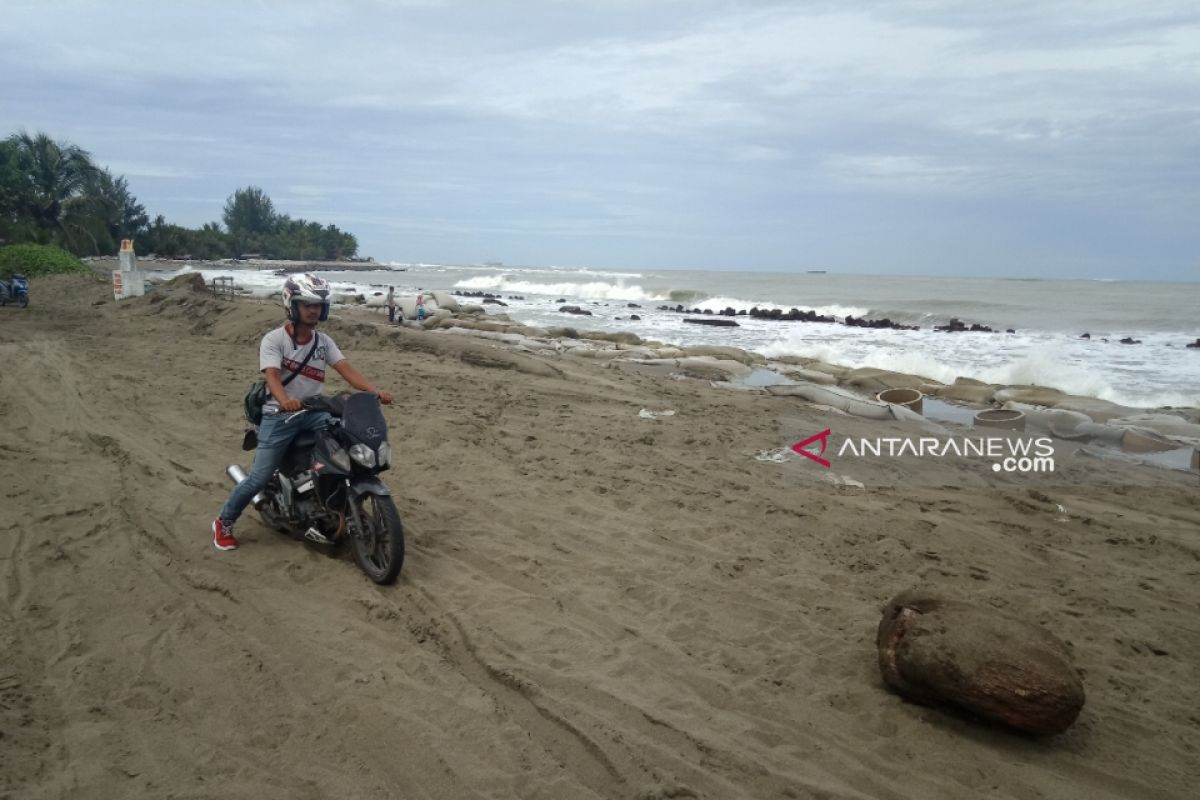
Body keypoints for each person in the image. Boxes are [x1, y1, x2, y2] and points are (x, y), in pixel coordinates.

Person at [213, 274, 394, 551]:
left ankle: (331, 493)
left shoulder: (323, 342)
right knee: (259, 477)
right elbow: (272, 376)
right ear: (292, 305)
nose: (314, 311)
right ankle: (224, 521)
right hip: (278, 415)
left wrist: (374, 391)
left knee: (347, 432)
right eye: (307, 304)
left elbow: (346, 370)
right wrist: (285, 400)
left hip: (313, 410)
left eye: (318, 306)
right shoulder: (274, 340)